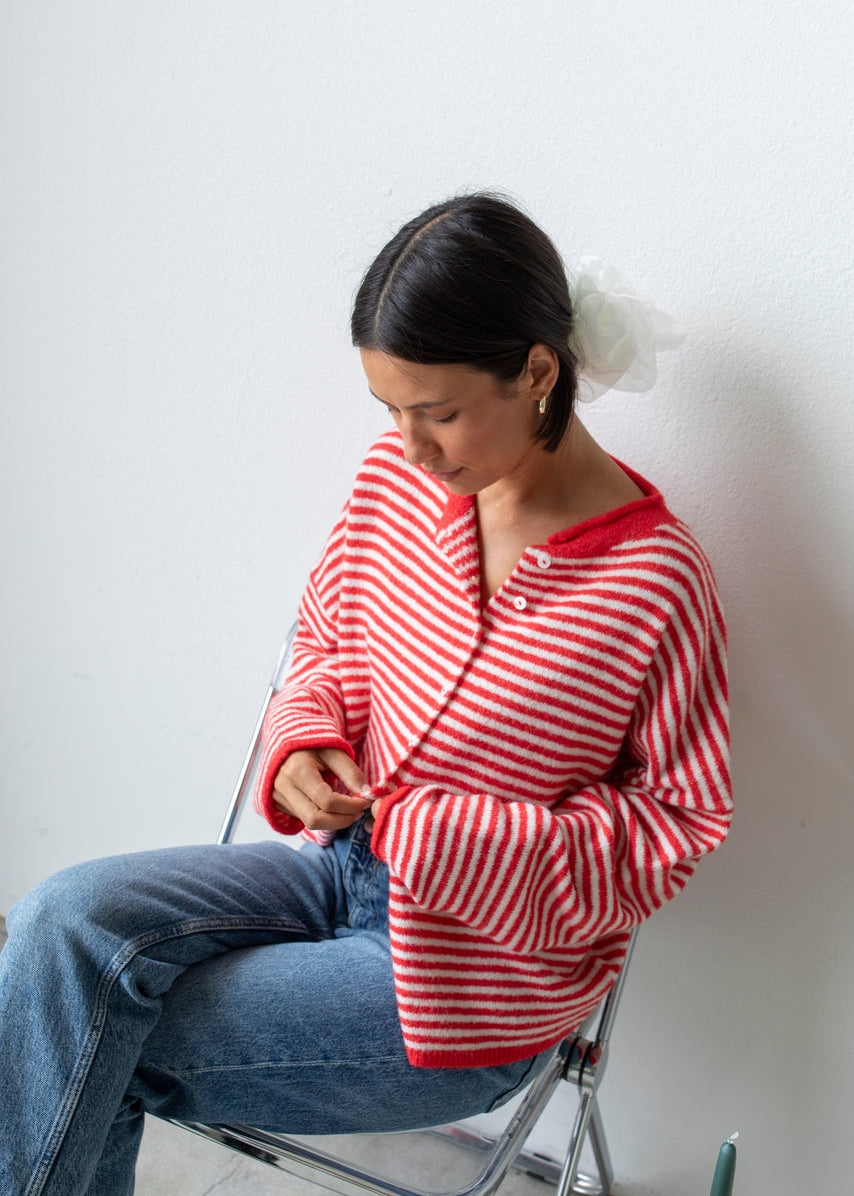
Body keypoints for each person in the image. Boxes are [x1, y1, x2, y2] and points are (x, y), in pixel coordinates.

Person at [0, 194, 731, 1195]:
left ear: (536, 371)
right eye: (390, 409)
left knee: (75, 1030)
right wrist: (304, 742)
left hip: (472, 984)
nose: (412, 444)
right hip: (333, 875)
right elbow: (328, 640)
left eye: (438, 412)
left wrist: (453, 835)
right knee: (59, 925)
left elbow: (677, 823)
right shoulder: (397, 481)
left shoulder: (653, 578)